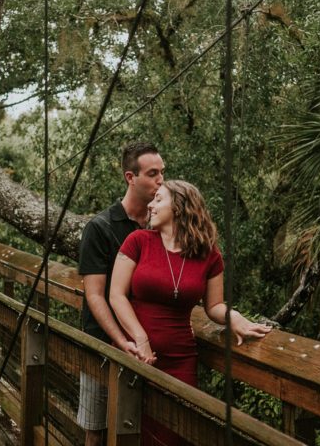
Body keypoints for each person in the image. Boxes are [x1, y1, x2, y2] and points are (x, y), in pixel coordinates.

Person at [110, 180, 271, 446]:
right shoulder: (137, 241)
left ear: (179, 206)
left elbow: (214, 306)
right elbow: (116, 295)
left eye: (158, 199)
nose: (150, 204)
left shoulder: (208, 255)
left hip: (180, 360)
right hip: (135, 354)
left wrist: (236, 318)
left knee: (174, 435)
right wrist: (140, 338)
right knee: (130, 430)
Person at [77, 142, 166, 446]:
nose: (160, 181)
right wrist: (121, 342)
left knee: (141, 430)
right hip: (103, 345)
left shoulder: (161, 224)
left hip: (150, 346)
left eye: (162, 173)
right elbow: (95, 295)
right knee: (97, 430)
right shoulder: (100, 227)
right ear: (131, 177)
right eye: (153, 174)